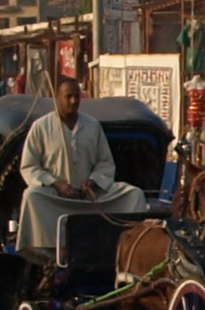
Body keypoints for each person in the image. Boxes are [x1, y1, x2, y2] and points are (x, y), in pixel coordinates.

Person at [19, 71, 153, 268]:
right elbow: (29, 166)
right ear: (57, 98)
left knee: (134, 194)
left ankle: (132, 244)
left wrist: (94, 180)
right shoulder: (41, 127)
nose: (73, 101)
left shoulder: (92, 125)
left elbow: (106, 162)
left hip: (91, 198)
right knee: (32, 196)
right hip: (56, 199)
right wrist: (56, 183)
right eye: (68, 97)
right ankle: (48, 249)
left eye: (77, 96)